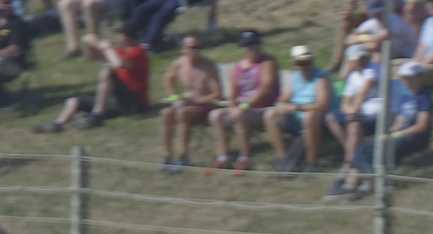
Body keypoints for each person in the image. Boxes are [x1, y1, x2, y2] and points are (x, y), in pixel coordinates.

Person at [38, 25, 151, 130]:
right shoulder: (120, 51)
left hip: (135, 102)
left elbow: (118, 64)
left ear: (126, 37)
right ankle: (58, 124)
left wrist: (106, 48)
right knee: (73, 101)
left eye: (119, 35)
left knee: (107, 72)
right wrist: (91, 44)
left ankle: (97, 116)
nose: (117, 38)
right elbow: (94, 57)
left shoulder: (138, 52)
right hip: (118, 101)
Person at [211, 32, 278, 168]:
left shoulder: (268, 62)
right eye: (248, 47)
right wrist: (231, 106)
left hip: (263, 108)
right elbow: (233, 93)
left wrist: (246, 105)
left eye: (253, 46)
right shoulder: (239, 67)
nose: (251, 50)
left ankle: (245, 156)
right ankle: (223, 156)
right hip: (243, 107)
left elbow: (266, 88)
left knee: (239, 114)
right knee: (215, 115)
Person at [264, 44, 336, 169]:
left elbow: (322, 105)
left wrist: (296, 107)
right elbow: (282, 99)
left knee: (309, 117)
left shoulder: (321, 78)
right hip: (297, 115)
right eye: (301, 62)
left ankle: (311, 162)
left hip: (316, 117)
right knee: (270, 114)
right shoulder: (294, 78)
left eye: (307, 62)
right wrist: (282, 106)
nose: (305, 66)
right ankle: (282, 158)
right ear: (295, 64)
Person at [158, 34, 222, 171]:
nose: (195, 50)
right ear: (183, 49)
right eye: (192, 47)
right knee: (166, 113)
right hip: (186, 104)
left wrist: (199, 100)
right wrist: (174, 98)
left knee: (183, 113)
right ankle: (167, 157)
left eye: (198, 47)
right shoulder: (179, 64)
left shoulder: (208, 66)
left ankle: (183, 156)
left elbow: (217, 93)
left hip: (204, 106)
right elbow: (168, 80)